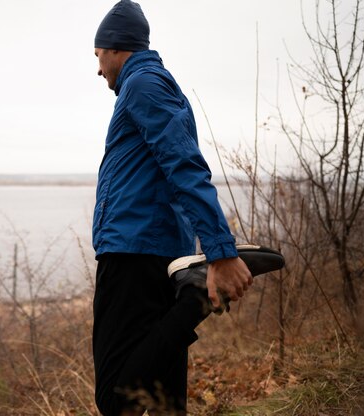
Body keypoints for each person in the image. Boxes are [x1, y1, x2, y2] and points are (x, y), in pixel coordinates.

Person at [91, 1, 254, 414]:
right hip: (160, 249)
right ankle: (192, 292)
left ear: (115, 48)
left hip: (132, 251)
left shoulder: (142, 83)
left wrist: (220, 250)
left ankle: (197, 296)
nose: (98, 70)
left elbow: (183, 164)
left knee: (115, 400)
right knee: (165, 401)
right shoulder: (154, 84)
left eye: (98, 57)